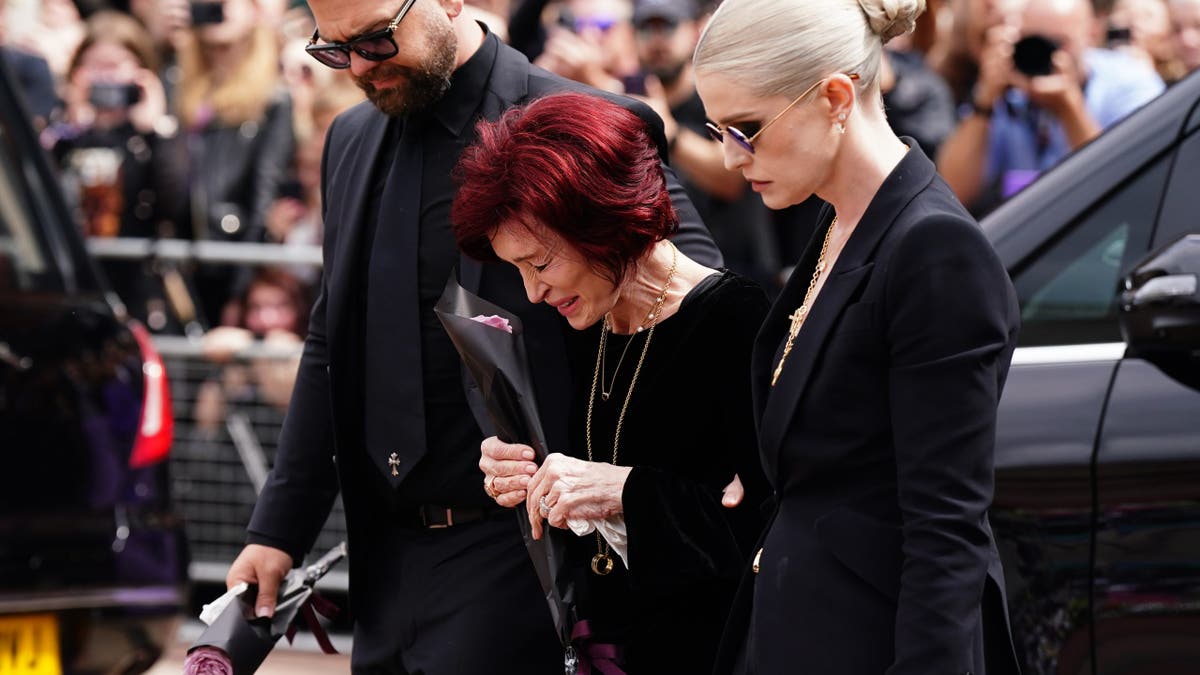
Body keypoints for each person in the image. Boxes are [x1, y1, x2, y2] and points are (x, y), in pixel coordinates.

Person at [221, 0, 722, 672]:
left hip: (522, 556)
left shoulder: (581, 118)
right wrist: (277, 529)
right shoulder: (349, 139)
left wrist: (620, 481)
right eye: (335, 51)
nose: (360, 68)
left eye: (376, 39)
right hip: (384, 559)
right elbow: (331, 343)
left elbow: (702, 307)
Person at [692, 0, 1023, 673]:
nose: (729, 157)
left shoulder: (933, 248)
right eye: (717, 129)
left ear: (836, 97)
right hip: (797, 621)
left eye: (746, 128)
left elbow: (946, 529)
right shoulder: (843, 221)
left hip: (868, 639)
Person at [453, 92, 768, 673]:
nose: (532, 293)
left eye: (540, 263)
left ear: (602, 223)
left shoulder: (737, 323)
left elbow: (761, 530)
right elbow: (576, 470)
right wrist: (519, 472)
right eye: (516, 269)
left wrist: (625, 491)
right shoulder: (583, 318)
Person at [937, 0, 1165, 216]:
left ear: (1092, 34)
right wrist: (984, 102)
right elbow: (953, 191)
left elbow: (1124, 187)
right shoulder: (1007, 86)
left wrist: (1069, 107)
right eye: (1032, 40)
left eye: (1058, 43)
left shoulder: (1130, 82)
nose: (1045, 53)